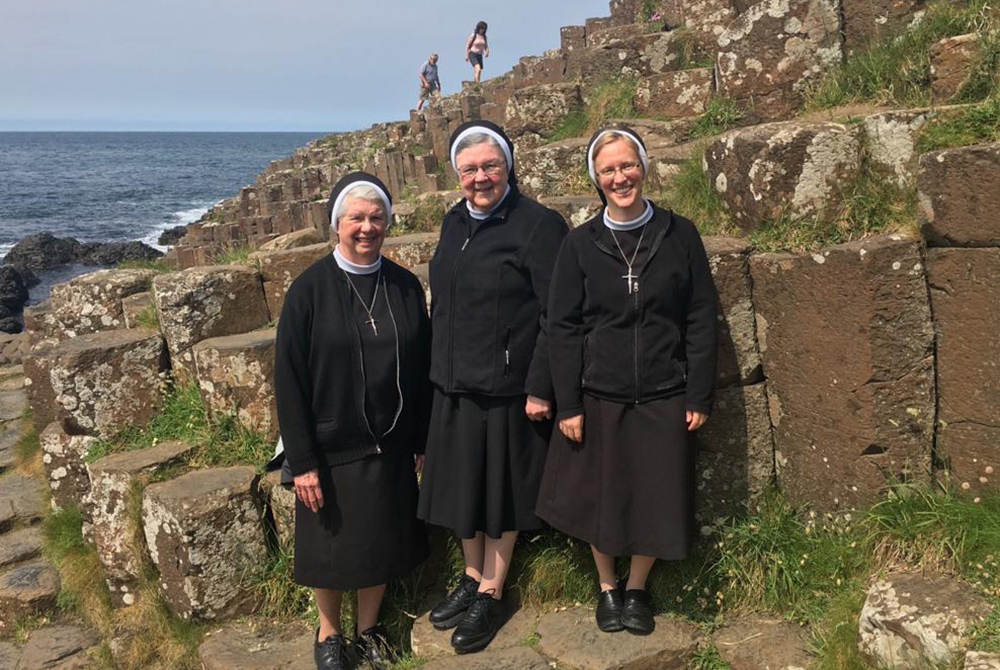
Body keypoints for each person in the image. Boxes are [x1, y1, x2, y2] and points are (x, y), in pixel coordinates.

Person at [536, 126, 718, 635]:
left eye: (627, 165)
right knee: (603, 497)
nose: (621, 177)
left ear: (644, 166)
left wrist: (698, 390)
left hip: (664, 390)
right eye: (609, 170)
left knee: (653, 495)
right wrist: (568, 403)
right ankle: (607, 586)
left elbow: (701, 315)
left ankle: (637, 587)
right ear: (596, 179)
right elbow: (563, 327)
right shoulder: (579, 244)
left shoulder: (679, 234)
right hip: (601, 394)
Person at [417, 120, 568, 653]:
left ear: (507, 167)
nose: (480, 177)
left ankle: (492, 589)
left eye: (490, 166)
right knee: (464, 486)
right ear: (457, 174)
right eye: (470, 169)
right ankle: (469, 572)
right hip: (453, 382)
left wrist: (541, 385)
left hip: (509, 386)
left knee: (500, 493)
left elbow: (558, 312)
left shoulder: (538, 225)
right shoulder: (453, 222)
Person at [274, 172, 431, 670]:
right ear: (336, 225)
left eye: (376, 218)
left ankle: (369, 630)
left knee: (380, 544)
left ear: (388, 223)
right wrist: (302, 461)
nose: (367, 228)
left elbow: (423, 366)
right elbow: (289, 380)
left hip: (390, 444)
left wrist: (422, 438)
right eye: (356, 218)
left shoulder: (404, 286)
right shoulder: (309, 291)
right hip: (329, 446)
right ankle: (329, 632)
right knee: (329, 548)